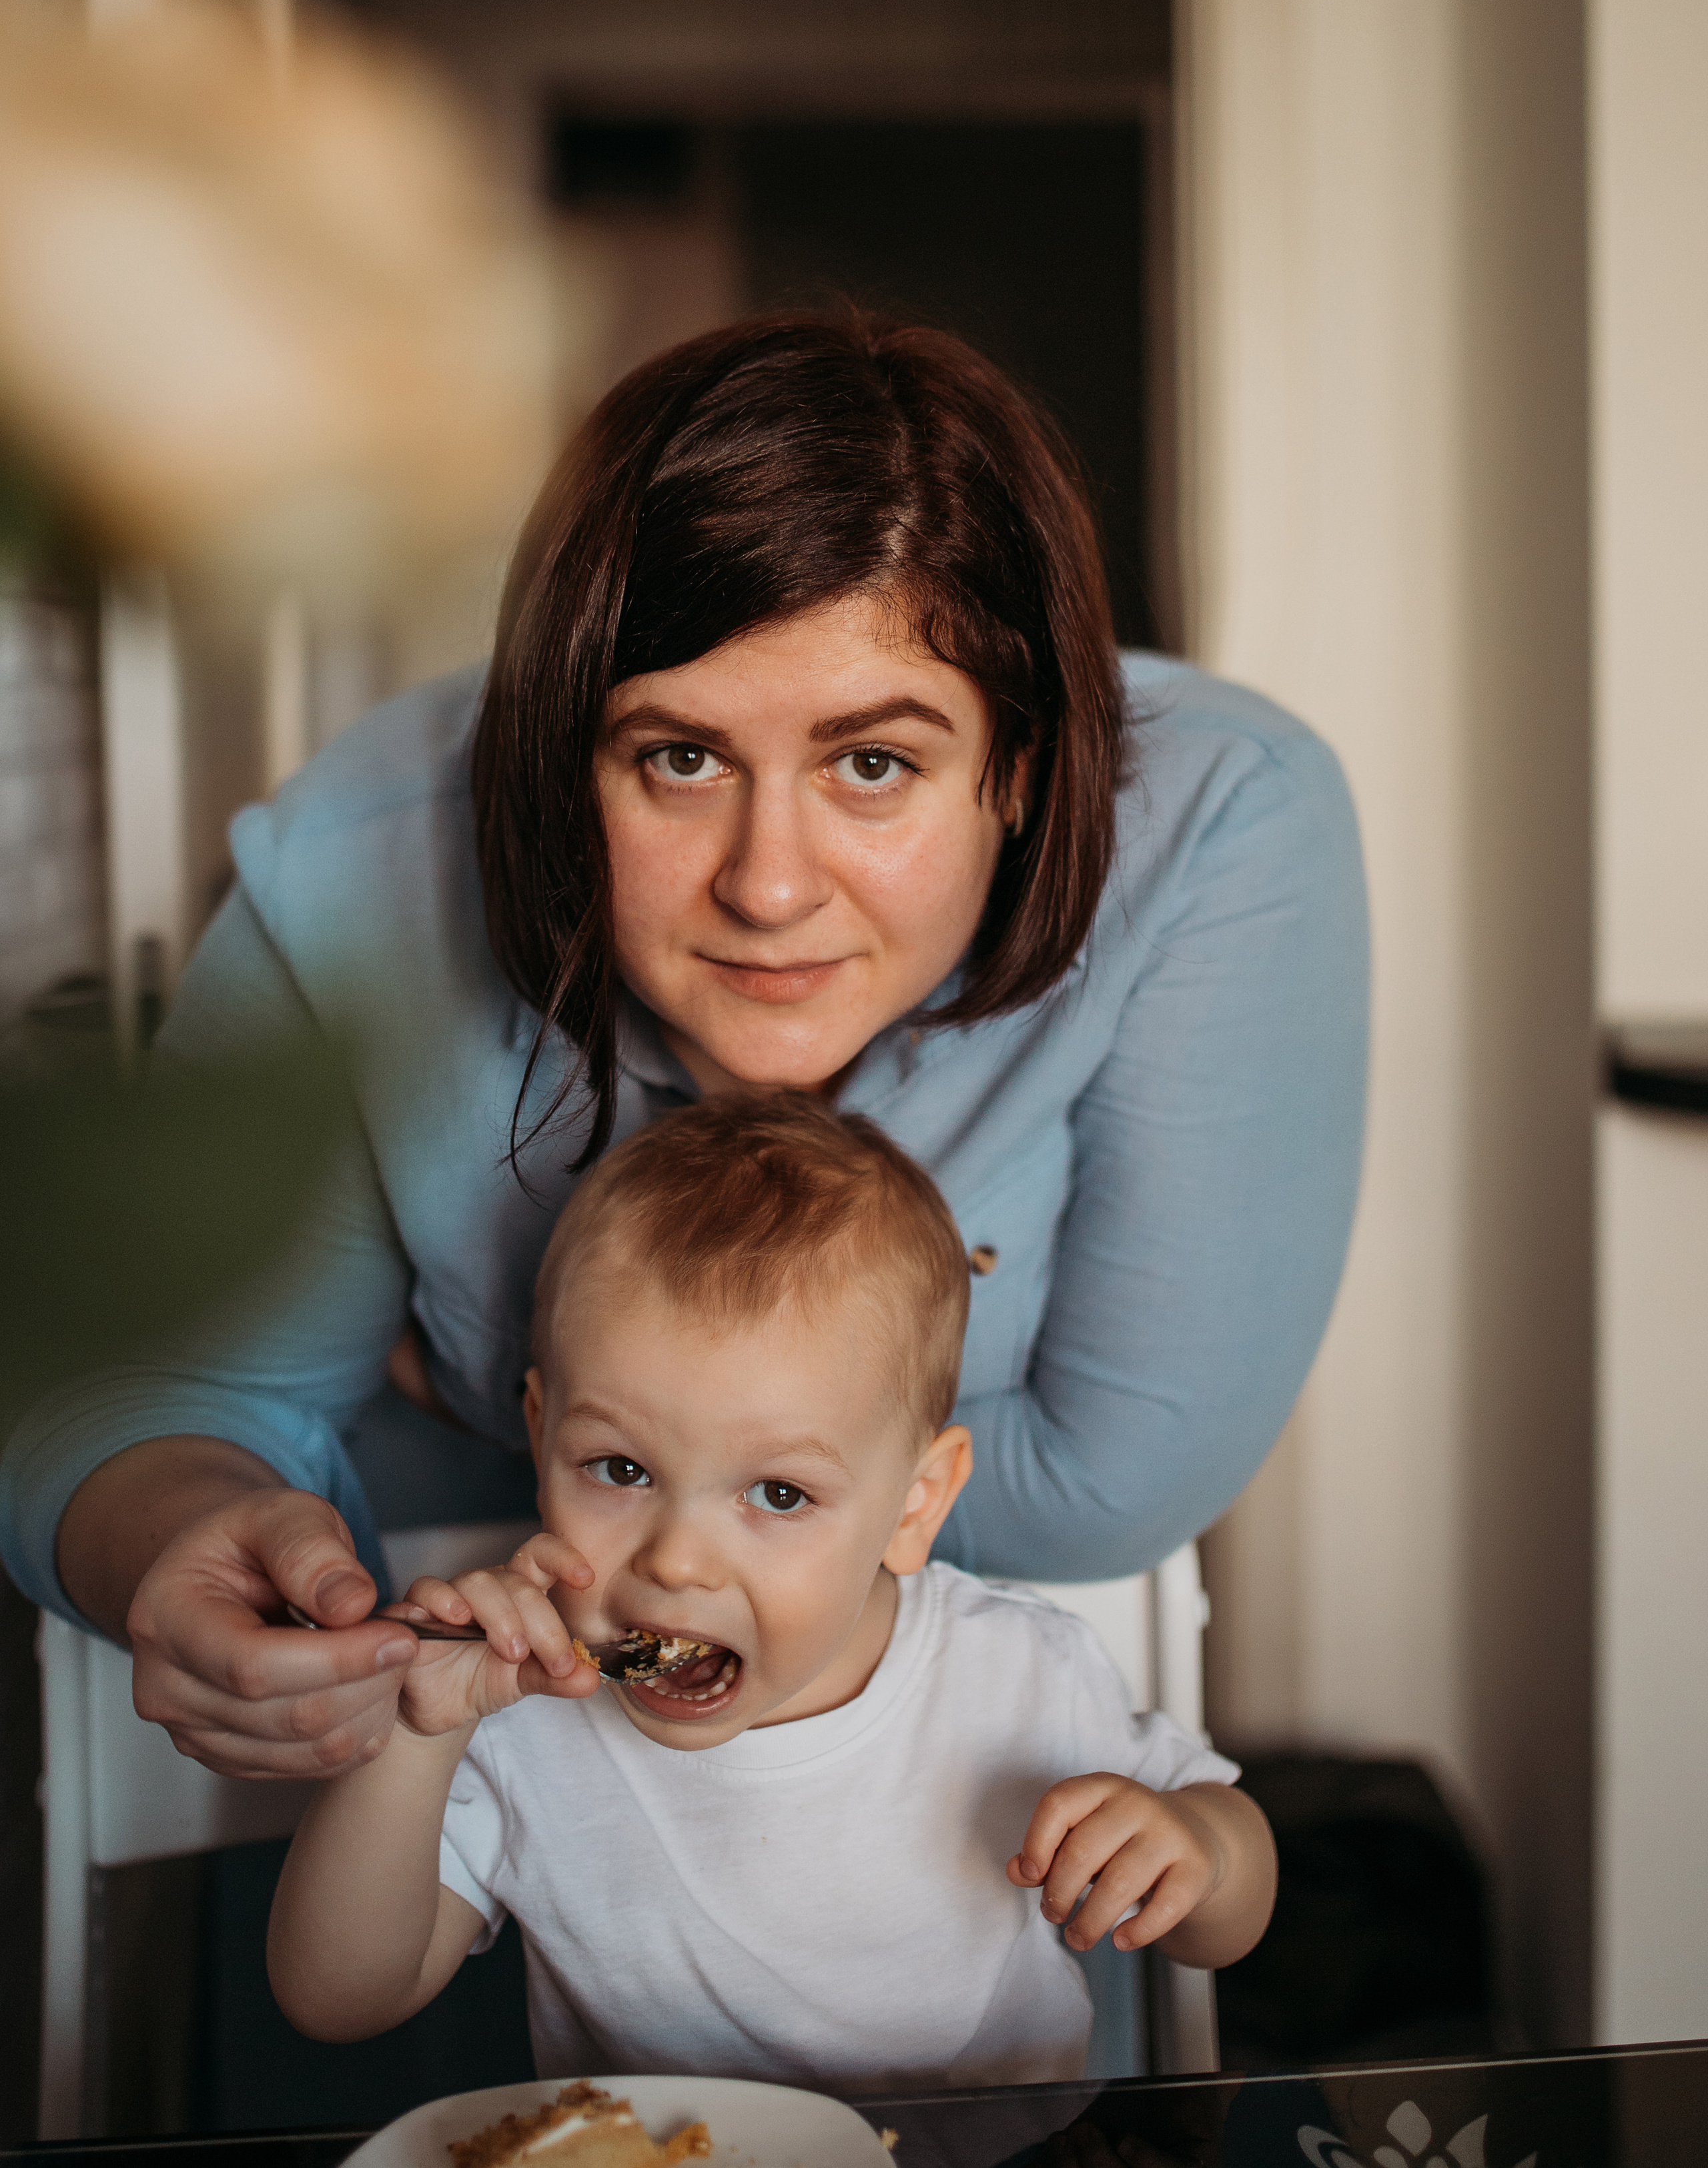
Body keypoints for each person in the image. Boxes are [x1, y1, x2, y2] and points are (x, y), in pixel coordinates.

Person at [0, 310, 1368, 1786]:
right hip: (436, 1783)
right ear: (561, 754)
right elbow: (143, 1395)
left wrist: (494, 1397)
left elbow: (1111, 1483)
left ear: (1019, 769)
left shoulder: (1221, 825)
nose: (768, 887)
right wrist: (174, 1527)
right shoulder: (359, 867)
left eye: (872, 764)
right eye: (681, 757)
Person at [265, 1096, 1276, 2091]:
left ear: (915, 1506)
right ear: (541, 1440)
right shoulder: (512, 1715)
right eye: (620, 1470)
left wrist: (1201, 1853)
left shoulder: (1018, 1674)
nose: (677, 1563)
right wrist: (417, 1734)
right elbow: (336, 1999)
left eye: (779, 1494)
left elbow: (1225, 1924)